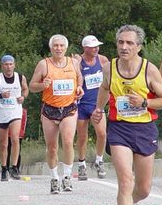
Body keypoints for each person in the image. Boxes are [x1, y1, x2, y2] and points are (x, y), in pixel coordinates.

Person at [91, 25, 162, 205]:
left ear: (138, 47)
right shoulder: (109, 68)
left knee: (143, 189)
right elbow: (104, 88)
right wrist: (98, 109)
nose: (124, 47)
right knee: (125, 182)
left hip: (145, 129)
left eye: (129, 43)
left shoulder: (149, 70)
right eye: (120, 42)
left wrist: (145, 102)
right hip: (119, 128)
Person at [29, 34, 84, 194]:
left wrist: (79, 88)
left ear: (66, 48)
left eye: (61, 46)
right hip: (49, 110)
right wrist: (42, 85)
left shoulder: (73, 63)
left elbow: (79, 79)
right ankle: (54, 178)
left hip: (69, 109)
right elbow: (32, 86)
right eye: (55, 46)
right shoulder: (43, 65)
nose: (58, 48)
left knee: (67, 142)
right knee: (52, 147)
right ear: (51, 48)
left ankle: (67, 177)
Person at [0, 55, 29, 181]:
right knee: (3, 143)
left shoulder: (20, 77)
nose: (8, 67)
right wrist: (0, 96)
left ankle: (14, 167)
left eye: (11, 64)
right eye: (6, 64)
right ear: (2, 66)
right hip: (1, 113)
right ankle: (4, 168)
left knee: (15, 138)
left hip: (15, 111)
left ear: (14, 65)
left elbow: (25, 89)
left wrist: (23, 97)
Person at [75, 35, 109, 181]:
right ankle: (82, 164)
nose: (96, 49)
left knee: (102, 134)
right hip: (82, 104)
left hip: (97, 104)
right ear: (85, 48)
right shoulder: (78, 61)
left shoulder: (102, 60)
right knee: (82, 137)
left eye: (97, 46)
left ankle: (99, 160)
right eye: (92, 47)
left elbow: (110, 79)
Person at [6, 108, 27, 172]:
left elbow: (23, 123)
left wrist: (21, 133)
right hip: (11, 133)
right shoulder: (7, 109)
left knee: (14, 150)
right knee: (9, 150)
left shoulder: (23, 111)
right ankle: (10, 168)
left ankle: (15, 168)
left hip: (16, 134)